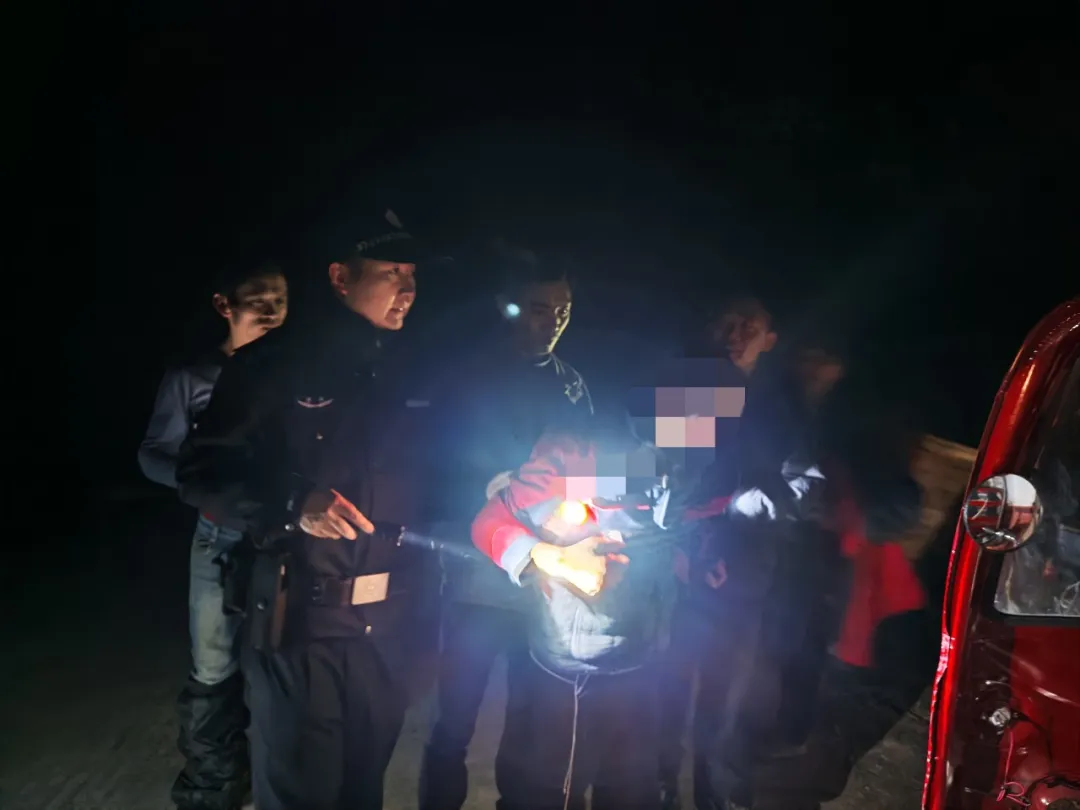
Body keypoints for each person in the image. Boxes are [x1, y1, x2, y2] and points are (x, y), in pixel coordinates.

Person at [176, 210, 437, 810]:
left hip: (387, 631)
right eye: (391, 272)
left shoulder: (415, 369)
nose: (407, 288)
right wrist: (293, 504)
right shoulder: (271, 364)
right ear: (340, 277)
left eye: (412, 275)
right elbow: (202, 472)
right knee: (302, 795)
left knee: (363, 792)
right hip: (300, 627)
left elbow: (447, 478)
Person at [419, 244, 593, 810]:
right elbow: (431, 468)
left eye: (563, 311)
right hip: (474, 577)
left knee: (529, 717)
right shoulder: (466, 377)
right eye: (541, 309)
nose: (553, 322)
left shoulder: (572, 385)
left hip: (544, 585)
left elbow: (588, 467)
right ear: (507, 305)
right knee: (455, 717)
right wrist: (490, 487)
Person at [658, 295, 825, 810]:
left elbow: (805, 476)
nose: (736, 335)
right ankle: (660, 787)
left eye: (749, 327)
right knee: (666, 686)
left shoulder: (776, 407)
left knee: (724, 695)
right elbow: (660, 484)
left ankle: (712, 794)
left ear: (769, 341)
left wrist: (765, 501)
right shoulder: (686, 392)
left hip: (746, 572)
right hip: (681, 570)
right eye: (728, 323)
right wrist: (687, 540)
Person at [469, 414, 683, 810]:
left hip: (644, 666)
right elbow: (489, 523)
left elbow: (692, 512)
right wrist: (551, 558)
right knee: (546, 792)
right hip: (571, 675)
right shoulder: (570, 452)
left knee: (630, 792)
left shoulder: (691, 457)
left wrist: (694, 557)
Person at [138, 262, 287, 810]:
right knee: (213, 665)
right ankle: (213, 790)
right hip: (219, 538)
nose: (270, 311)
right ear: (225, 306)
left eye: (279, 300)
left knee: (281, 664)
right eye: (258, 300)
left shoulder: (297, 373)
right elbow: (153, 452)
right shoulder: (194, 376)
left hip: (284, 539)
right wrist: (200, 484)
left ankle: (277, 784)